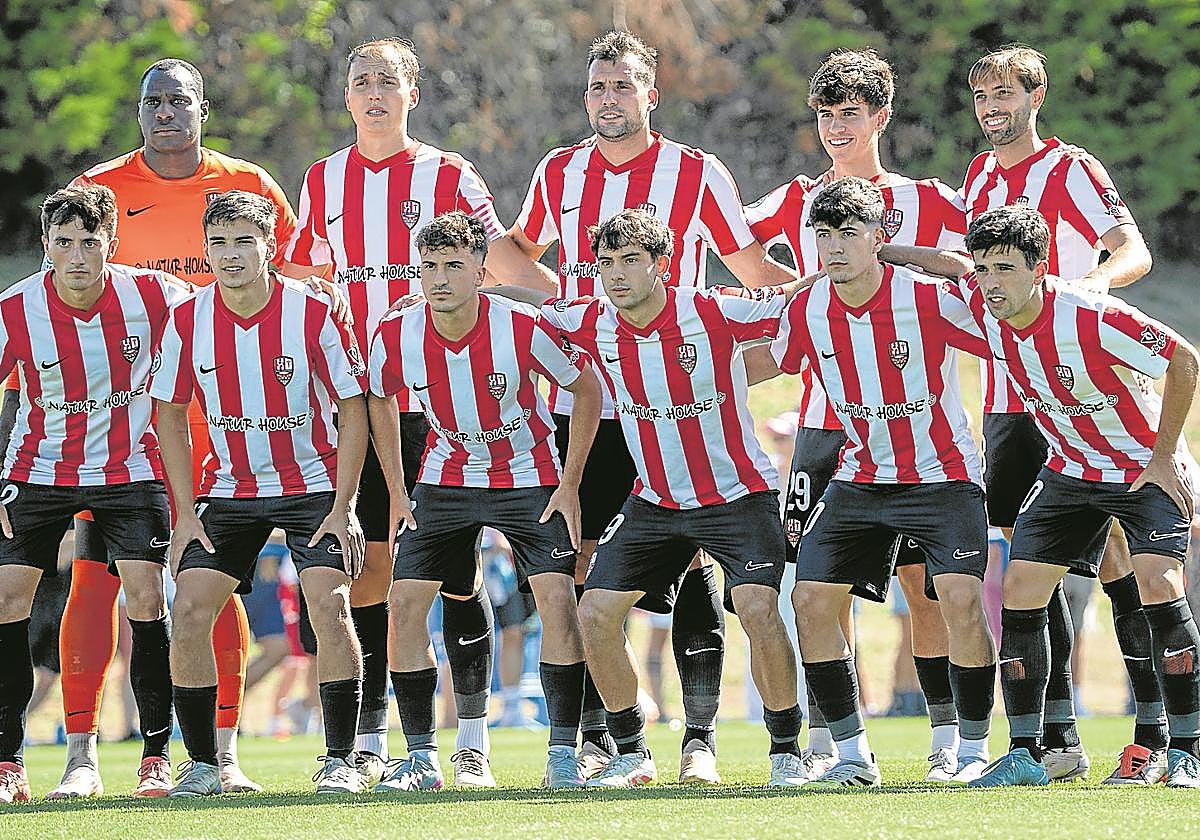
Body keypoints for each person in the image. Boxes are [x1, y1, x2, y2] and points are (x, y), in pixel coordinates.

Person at [486, 30, 798, 783]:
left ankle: (700, 741)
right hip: (591, 399)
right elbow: (517, 250)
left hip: (686, 404)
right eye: (597, 87)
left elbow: (748, 266)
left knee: (695, 566)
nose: (607, 100)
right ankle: (603, 740)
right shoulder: (559, 169)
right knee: (589, 569)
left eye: (622, 86)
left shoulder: (695, 171)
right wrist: (550, 303)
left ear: (650, 94)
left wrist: (822, 294)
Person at [47, 56, 305, 798]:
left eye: (179, 101)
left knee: (208, 589)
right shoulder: (98, 190)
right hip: (122, 430)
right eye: (153, 101)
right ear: (138, 110)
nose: (166, 113)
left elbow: (293, 286)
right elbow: (70, 290)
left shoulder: (250, 186)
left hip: (228, 428)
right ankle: (80, 758)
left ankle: (217, 752)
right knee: (95, 588)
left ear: (203, 109)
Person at [279, 38, 529, 782]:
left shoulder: (448, 173)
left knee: (453, 575)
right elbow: (297, 262)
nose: (374, 93)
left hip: (442, 406)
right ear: (347, 98)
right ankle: (372, 741)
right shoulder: (323, 179)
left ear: (412, 94)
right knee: (371, 573)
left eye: (388, 81)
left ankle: (473, 742)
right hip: (360, 403)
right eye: (362, 82)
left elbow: (497, 257)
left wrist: (567, 301)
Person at [745, 48, 970, 781]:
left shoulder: (929, 197)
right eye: (825, 114)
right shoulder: (797, 196)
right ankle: (836, 741)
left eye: (851, 113)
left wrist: (878, 251)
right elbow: (734, 248)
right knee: (818, 585)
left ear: (881, 116)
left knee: (923, 588)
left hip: (913, 425)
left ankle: (945, 737)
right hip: (824, 424)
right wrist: (804, 288)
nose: (836, 127)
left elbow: (972, 268)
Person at [919, 205, 1200, 788]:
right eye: (984, 269)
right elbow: (944, 266)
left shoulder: (1092, 314)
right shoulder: (986, 304)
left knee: (1158, 583)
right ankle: (1027, 752)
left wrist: (1164, 455)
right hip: (1071, 470)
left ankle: (1187, 750)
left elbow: (1183, 359)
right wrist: (881, 252)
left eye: (1004, 269)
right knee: (1021, 587)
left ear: (1041, 268)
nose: (991, 283)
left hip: (1138, 471)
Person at [961, 44, 1161, 783]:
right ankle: (1055, 740)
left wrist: (1089, 293)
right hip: (1009, 397)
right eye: (981, 96)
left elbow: (1132, 251)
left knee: (1119, 563)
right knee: (1025, 568)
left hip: (1079, 394)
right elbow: (974, 271)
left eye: (1004, 94)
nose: (991, 108)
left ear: (1035, 96)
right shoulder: (981, 177)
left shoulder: (1071, 168)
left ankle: (1154, 732)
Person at [366, 212, 601, 791]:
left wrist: (569, 482)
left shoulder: (521, 325)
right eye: (429, 268)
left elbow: (586, 387)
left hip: (529, 474)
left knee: (557, 604)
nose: (440, 279)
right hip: (445, 478)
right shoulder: (397, 332)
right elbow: (378, 399)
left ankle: (564, 755)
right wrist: (397, 488)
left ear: (479, 269)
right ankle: (421, 757)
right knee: (403, 605)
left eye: (453, 266)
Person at [151, 190, 370, 796]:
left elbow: (353, 410)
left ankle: (340, 760)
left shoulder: (311, 312)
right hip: (227, 492)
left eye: (244, 241)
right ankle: (201, 765)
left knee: (330, 606)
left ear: (270, 246)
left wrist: (345, 504)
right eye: (218, 243)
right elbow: (168, 412)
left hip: (314, 487)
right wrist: (186, 510)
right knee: (190, 611)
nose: (230, 255)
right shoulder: (188, 319)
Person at [0, 185, 189, 803]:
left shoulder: (153, 294)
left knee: (144, 595)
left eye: (89, 242)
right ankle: (9, 763)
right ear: (45, 245)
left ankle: (155, 758)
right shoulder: (15, 310)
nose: (77, 256)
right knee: (8, 599)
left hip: (128, 469)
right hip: (39, 468)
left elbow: (220, 311)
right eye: (63, 243)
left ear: (111, 241)